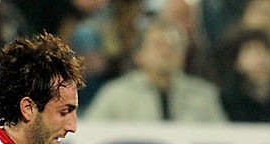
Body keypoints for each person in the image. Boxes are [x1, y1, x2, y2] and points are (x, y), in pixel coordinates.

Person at [83, 16, 227, 122]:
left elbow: (223, 140)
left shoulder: (204, 96)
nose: (166, 52)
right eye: (158, 45)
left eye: (174, 46)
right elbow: (92, 133)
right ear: (139, 55)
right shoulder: (116, 94)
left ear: (183, 56)